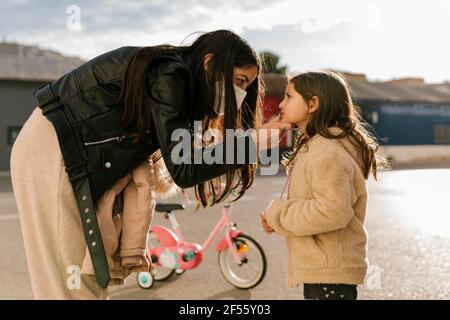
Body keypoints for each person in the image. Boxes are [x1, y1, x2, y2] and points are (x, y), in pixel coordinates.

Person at [10, 29, 292, 299]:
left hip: (70, 152)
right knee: (68, 279)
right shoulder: (171, 74)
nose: (242, 92)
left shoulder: (182, 84)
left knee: (90, 274)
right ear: (210, 63)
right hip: (52, 148)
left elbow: (188, 158)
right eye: (239, 81)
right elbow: (185, 168)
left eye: (247, 85)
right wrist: (251, 144)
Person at [260, 71, 387, 300]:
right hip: (327, 272)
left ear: (313, 104)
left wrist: (279, 214)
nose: (280, 103)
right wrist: (276, 217)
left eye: (289, 97)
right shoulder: (319, 146)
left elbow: (332, 212)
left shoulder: (328, 152)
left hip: (330, 276)